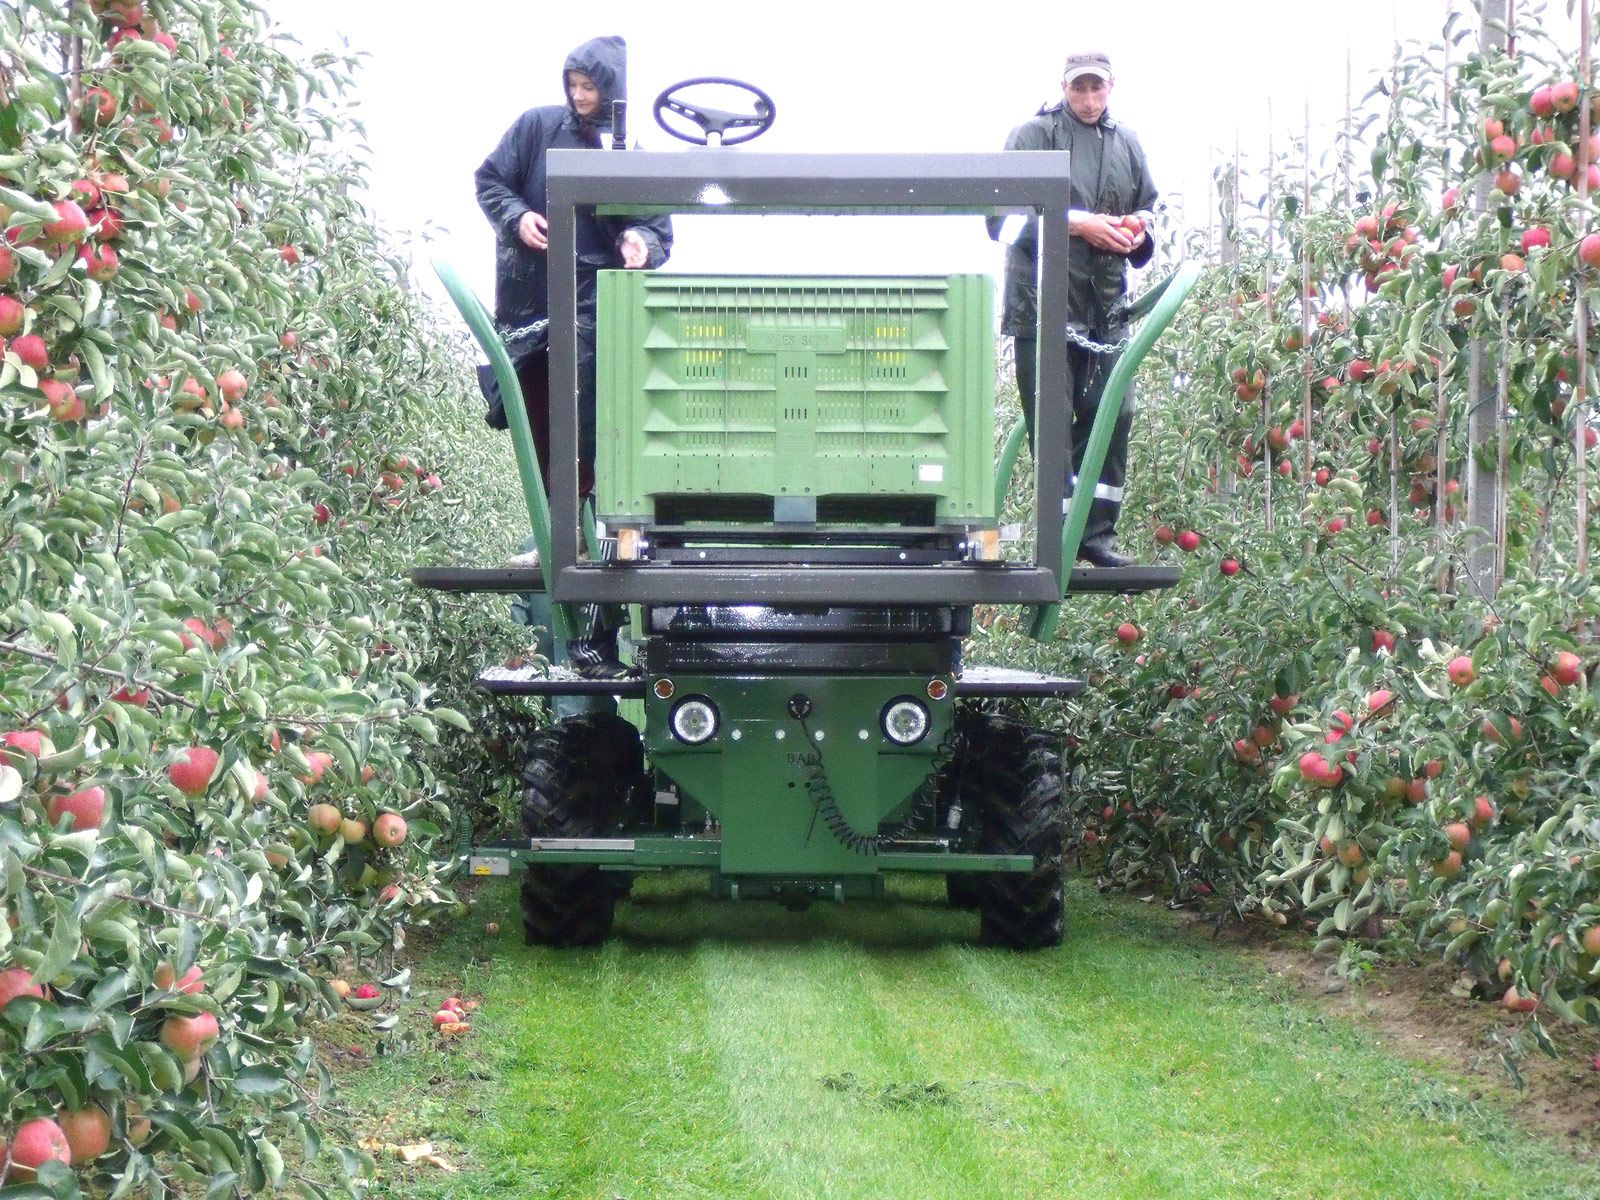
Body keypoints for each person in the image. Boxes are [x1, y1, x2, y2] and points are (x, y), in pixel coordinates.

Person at [475, 35, 673, 677]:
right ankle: (553, 532)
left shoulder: (625, 153)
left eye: (590, 87)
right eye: (573, 85)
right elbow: (490, 181)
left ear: (610, 90)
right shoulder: (536, 131)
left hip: (595, 308)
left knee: (590, 426)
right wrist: (517, 218)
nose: (579, 96)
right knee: (537, 421)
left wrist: (640, 240)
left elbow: (658, 229)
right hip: (533, 300)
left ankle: (583, 535)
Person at [989, 50, 1157, 570]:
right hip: (1043, 306)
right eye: (1079, 89)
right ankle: (1059, 538)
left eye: (1097, 89)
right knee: (1053, 423)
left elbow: (1149, 209)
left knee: (1117, 412)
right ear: (1063, 86)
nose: (1088, 99)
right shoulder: (1032, 136)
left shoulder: (1127, 142)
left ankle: (1097, 534)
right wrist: (1076, 224)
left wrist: (1137, 231)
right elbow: (1004, 223)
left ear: (1112, 87)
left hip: (1106, 308)